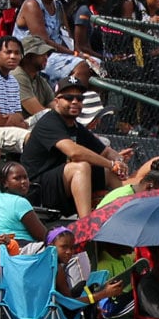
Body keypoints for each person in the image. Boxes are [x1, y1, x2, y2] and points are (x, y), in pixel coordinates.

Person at [20, 76, 131, 218]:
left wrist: (119, 160)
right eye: (68, 97)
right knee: (81, 166)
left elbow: (106, 151)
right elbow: (74, 153)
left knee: (109, 173)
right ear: (56, 101)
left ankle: (125, 217)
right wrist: (111, 164)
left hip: (59, 185)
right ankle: (85, 224)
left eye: (79, 99)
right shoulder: (49, 122)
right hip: (37, 189)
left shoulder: (75, 126)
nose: (75, 102)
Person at [11, 0, 90, 85]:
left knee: (96, 65)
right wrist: (75, 54)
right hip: (36, 55)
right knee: (82, 67)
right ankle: (65, 98)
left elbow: (68, 38)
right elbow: (43, 41)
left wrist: (80, 52)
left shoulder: (58, 5)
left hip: (57, 53)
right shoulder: (32, 4)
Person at [0, 161, 46, 243]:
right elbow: (42, 235)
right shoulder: (20, 202)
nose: (23, 181)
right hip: (20, 247)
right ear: (5, 183)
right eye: (17, 178)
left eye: (25, 177)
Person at [12, 35, 55, 123]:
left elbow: (55, 107)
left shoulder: (39, 80)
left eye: (46, 54)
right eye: (41, 54)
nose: (46, 57)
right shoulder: (17, 75)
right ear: (28, 56)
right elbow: (38, 112)